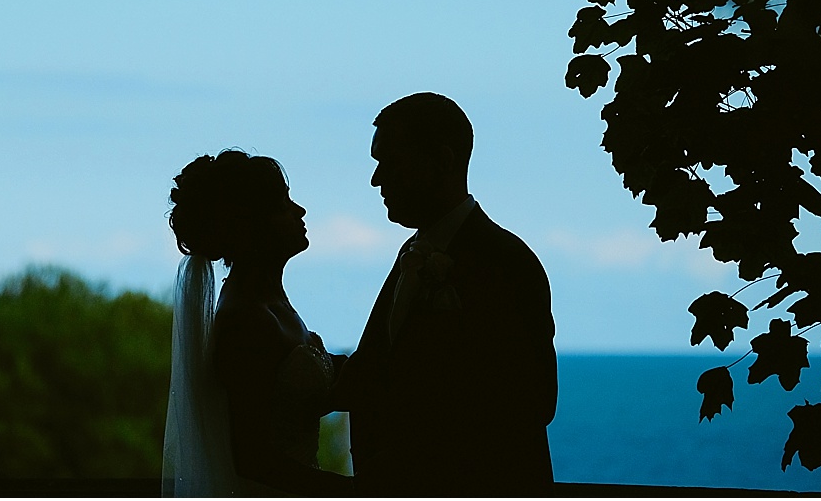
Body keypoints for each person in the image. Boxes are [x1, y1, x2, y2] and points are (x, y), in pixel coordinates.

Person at [335, 92, 558, 495]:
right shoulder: (412, 256)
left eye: (391, 162)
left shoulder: (507, 263)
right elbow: (379, 368)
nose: (377, 179)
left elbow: (533, 401)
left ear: (442, 160)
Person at [162, 150, 353, 496]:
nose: (300, 211)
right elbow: (252, 458)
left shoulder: (271, 305)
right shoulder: (247, 321)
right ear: (251, 225)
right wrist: (351, 491)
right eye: (283, 204)